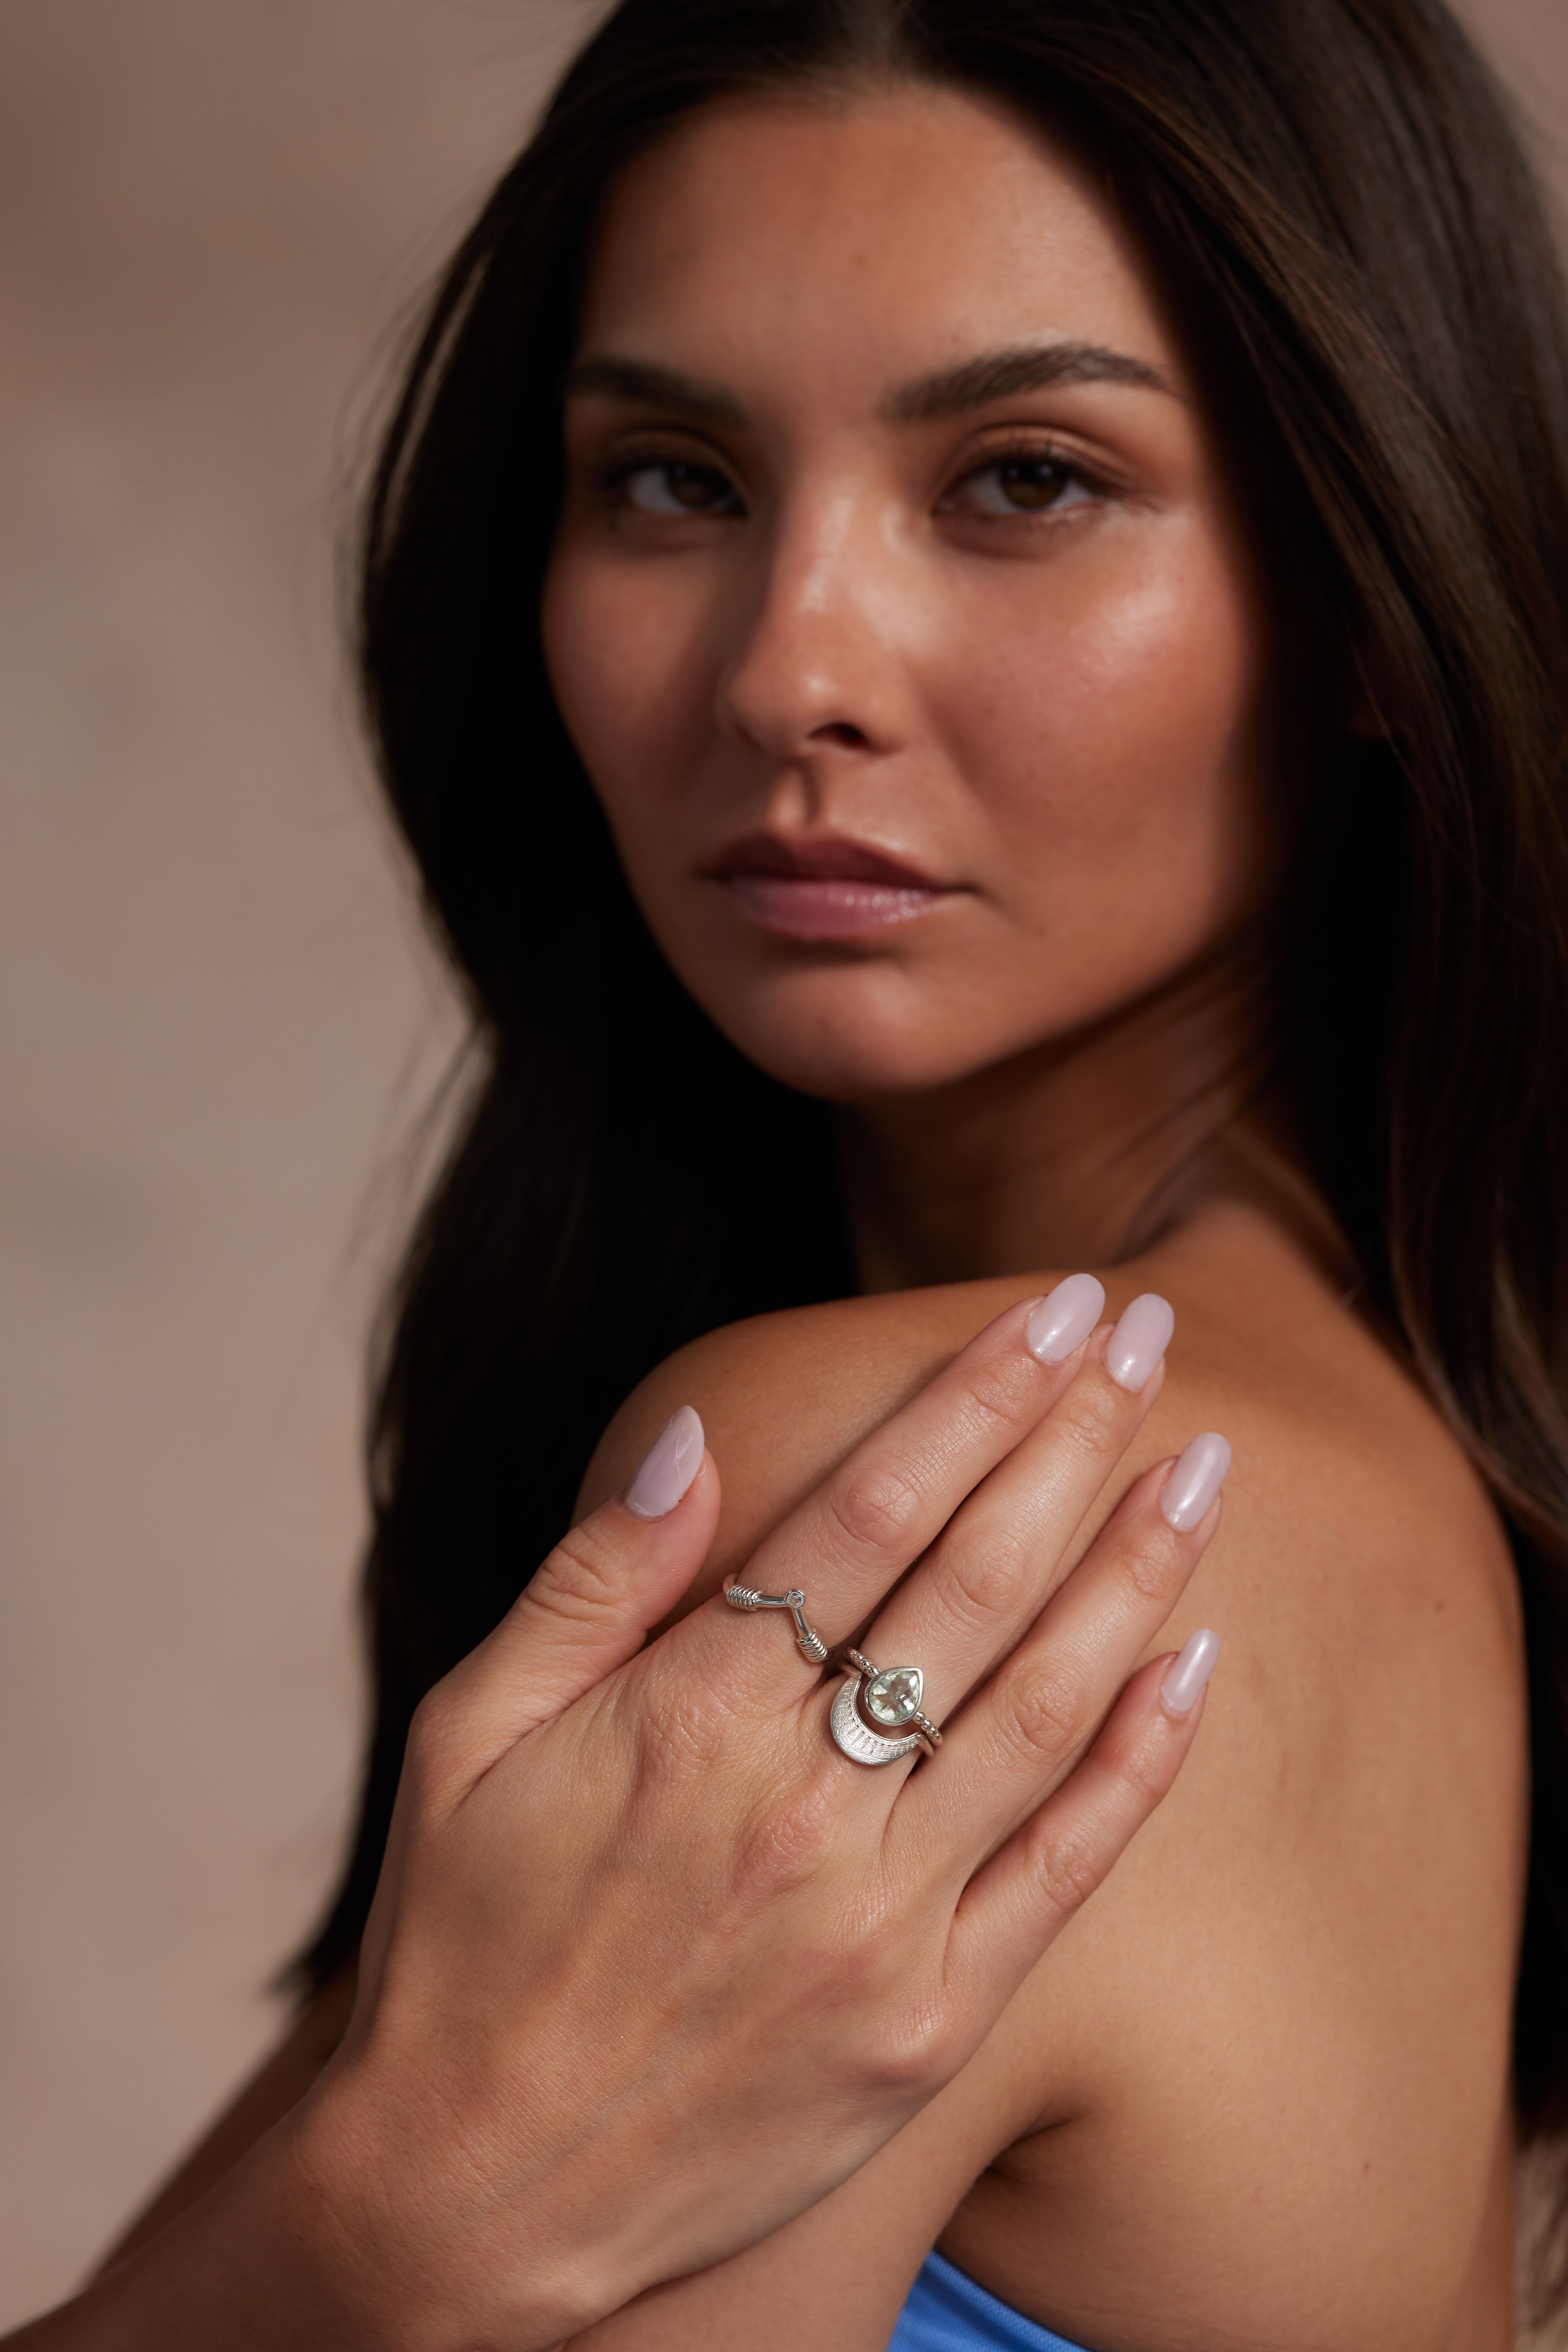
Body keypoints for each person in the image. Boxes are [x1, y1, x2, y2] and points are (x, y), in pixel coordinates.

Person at [11, 0, 1568, 2343]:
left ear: (1371, 585)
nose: (787, 668)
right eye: (675, 478)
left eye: (1025, 478)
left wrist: (388, 2232)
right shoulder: (1392, 1480)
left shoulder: (909, 1493)